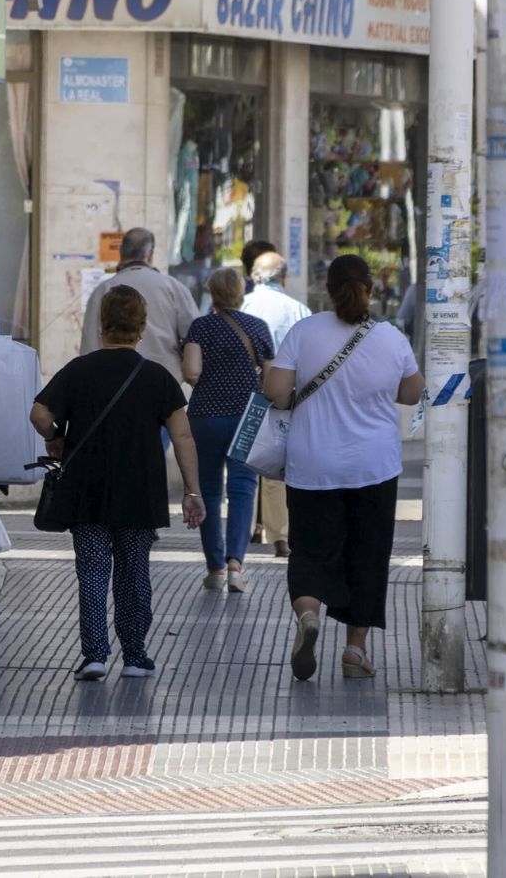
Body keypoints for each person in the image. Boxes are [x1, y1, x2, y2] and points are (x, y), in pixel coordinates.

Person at [262, 255, 424, 683]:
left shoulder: (304, 331)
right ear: (370, 289)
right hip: (374, 468)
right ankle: (354, 651)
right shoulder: (391, 337)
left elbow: (277, 394)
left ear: (328, 290)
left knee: (311, 552)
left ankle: (310, 615)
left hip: (312, 465)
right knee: (367, 556)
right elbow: (412, 393)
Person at [32, 286, 206, 680]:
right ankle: (135, 655)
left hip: (87, 488)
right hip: (139, 490)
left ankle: (94, 654)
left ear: (101, 324)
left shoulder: (79, 370)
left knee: (92, 570)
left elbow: (39, 413)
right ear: (141, 327)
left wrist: (56, 437)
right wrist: (193, 491)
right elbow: (183, 437)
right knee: (133, 571)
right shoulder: (157, 377)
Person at [182, 267, 274, 593]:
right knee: (242, 489)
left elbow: (191, 372)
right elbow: (272, 379)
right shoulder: (258, 327)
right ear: (240, 292)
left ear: (212, 292)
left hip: (205, 416)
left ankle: (215, 567)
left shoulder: (201, 327)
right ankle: (236, 565)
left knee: (207, 490)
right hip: (247, 417)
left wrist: (207, 378)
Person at [240, 252, 314, 557]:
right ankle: (279, 535)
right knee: (276, 462)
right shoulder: (298, 309)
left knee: (242, 465)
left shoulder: (242, 305)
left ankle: (243, 529)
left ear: (254, 276)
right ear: (283, 278)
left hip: (244, 396)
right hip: (283, 396)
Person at [79, 227, 199, 384]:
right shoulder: (173, 287)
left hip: (114, 384)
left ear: (121, 252)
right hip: (165, 383)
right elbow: (195, 335)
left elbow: (89, 347)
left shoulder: (103, 290)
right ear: (150, 254)